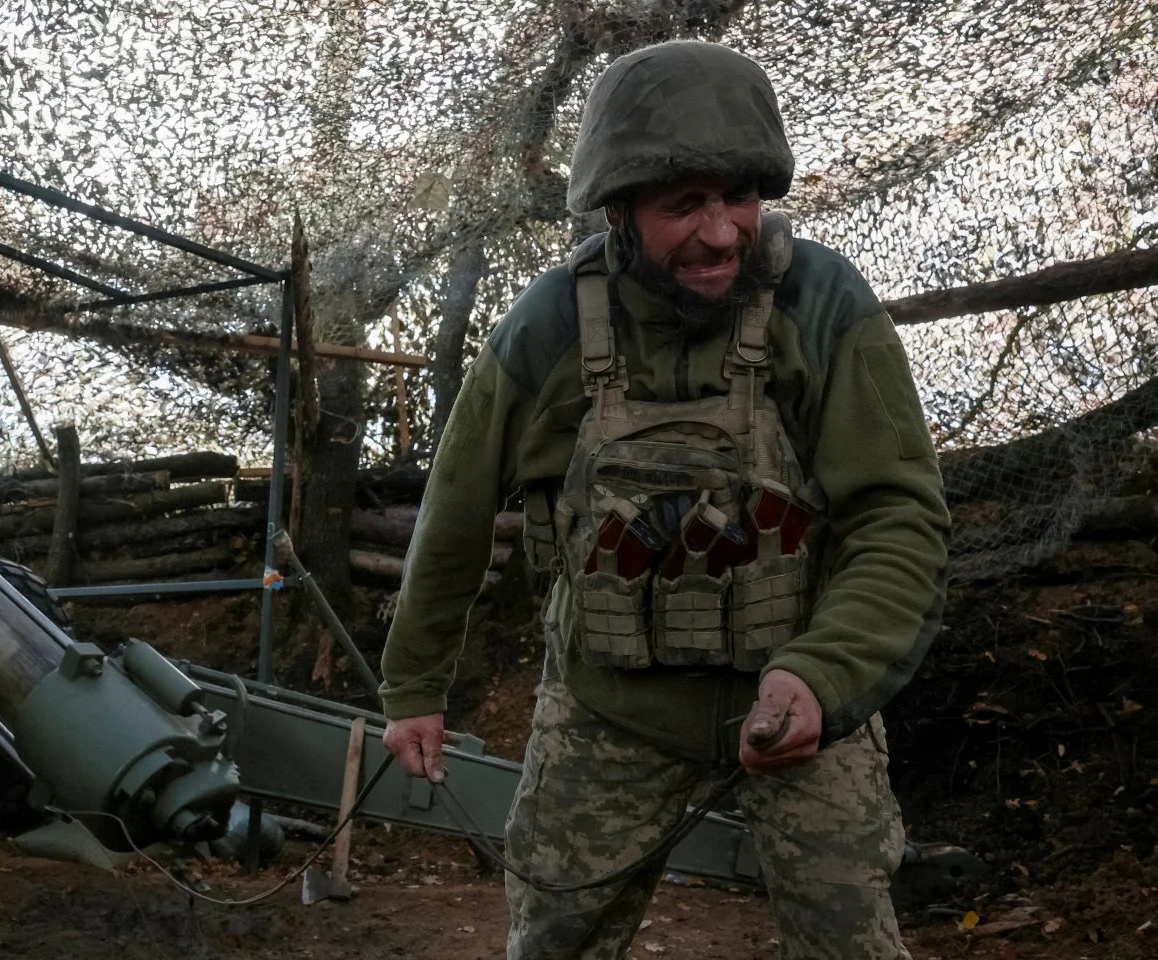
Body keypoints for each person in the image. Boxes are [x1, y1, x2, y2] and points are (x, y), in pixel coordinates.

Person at [378, 40, 950, 959]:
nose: (721, 234)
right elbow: (456, 510)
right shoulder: (551, 325)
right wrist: (415, 687)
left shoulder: (823, 305)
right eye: (684, 205)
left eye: (739, 198)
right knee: (556, 939)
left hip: (800, 700)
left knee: (850, 943)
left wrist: (822, 675)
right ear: (619, 210)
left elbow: (900, 516)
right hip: (611, 708)